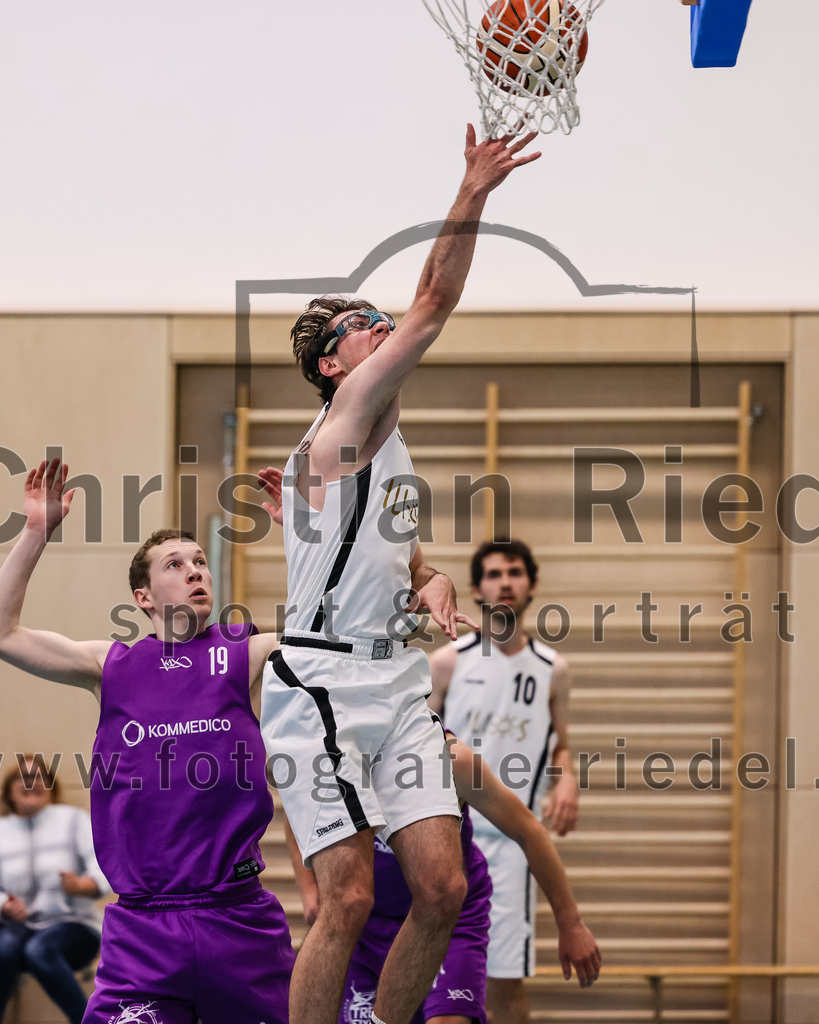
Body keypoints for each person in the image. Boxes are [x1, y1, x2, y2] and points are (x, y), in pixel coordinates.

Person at [256, 124, 541, 1024]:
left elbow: (396, 551)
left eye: (373, 317)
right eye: (357, 326)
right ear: (334, 365)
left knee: (444, 888)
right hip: (323, 682)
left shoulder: (388, 449)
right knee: (343, 898)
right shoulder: (343, 418)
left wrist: (429, 579)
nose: (379, 326)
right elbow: (430, 303)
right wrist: (474, 190)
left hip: (395, 679)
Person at [0, 458, 295, 1024]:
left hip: (239, 921)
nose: (196, 571)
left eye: (200, 562)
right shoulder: (111, 664)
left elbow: (334, 630)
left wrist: (306, 530)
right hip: (144, 930)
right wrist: (34, 533)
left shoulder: (243, 652)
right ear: (144, 597)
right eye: (176, 565)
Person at [286, 732, 600, 1024]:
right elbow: (295, 812)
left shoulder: (452, 759)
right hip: (369, 922)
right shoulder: (335, 752)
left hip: (450, 919)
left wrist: (570, 923)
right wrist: (309, 888)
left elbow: (528, 830)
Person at [427, 539, 578, 1024]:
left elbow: (560, 741)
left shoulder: (554, 670)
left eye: (515, 572)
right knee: (430, 974)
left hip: (514, 845)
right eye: (493, 574)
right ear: (476, 589)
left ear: (531, 584)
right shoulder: (448, 661)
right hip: (447, 839)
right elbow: (413, 747)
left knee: (504, 983)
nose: (505, 581)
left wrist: (567, 778)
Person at [0, 757, 106, 1024]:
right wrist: (2, 905)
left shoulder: (74, 820)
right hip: (18, 927)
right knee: (5, 947)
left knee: (39, 949)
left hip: (74, 926)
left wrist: (84, 885)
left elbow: (103, 869)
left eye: (38, 777)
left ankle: (90, 1021)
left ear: (51, 787)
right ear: (9, 791)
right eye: (22, 777)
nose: (31, 782)